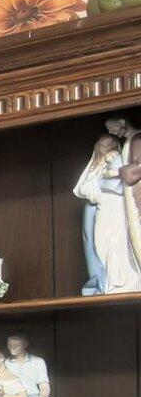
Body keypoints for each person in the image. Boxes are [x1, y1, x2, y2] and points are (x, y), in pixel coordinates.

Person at [76, 116, 139, 294]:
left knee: (119, 246)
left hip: (117, 209)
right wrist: (100, 179)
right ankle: (109, 283)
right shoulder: (99, 165)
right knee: (101, 245)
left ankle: (124, 283)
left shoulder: (117, 159)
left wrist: (101, 182)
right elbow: (85, 187)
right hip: (104, 211)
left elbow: (121, 188)